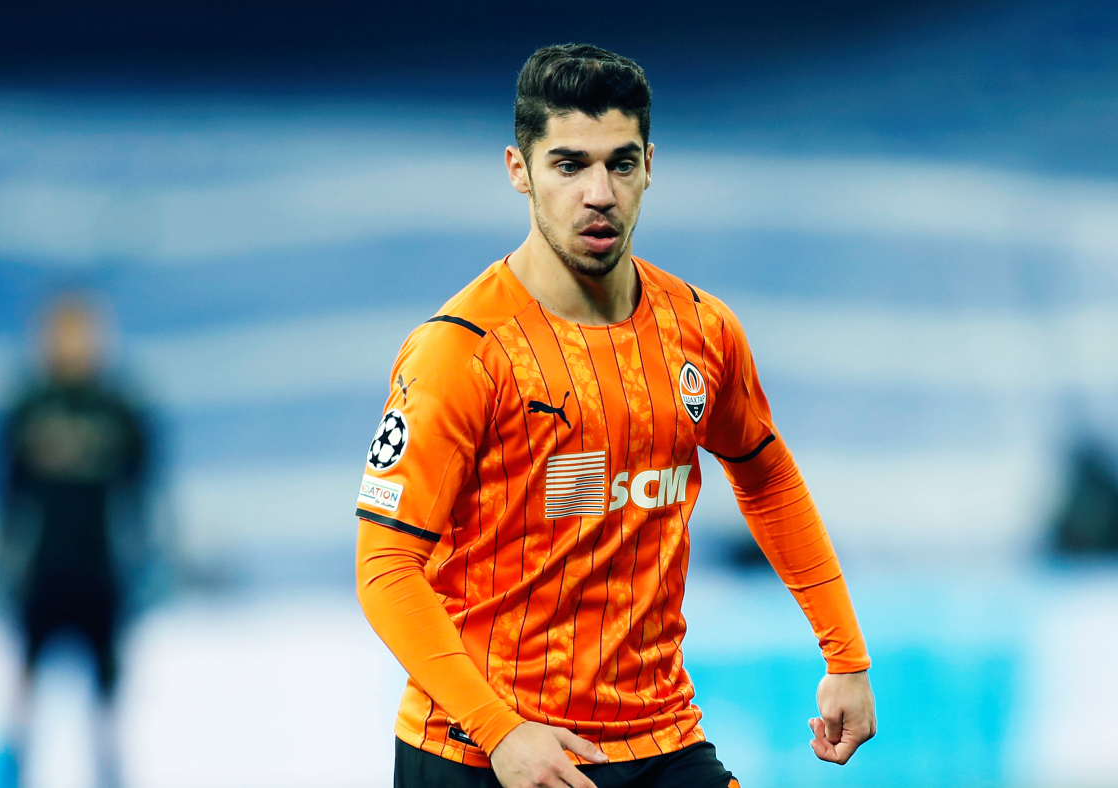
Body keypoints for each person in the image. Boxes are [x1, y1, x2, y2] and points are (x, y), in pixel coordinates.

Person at [355, 44, 876, 788]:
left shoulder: (701, 330)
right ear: (519, 170)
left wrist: (846, 656)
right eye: (569, 165)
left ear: (649, 166)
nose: (599, 193)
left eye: (620, 164)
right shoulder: (460, 352)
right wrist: (500, 732)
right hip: (485, 751)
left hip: (661, 737)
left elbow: (768, 479)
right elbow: (385, 566)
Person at [0, 293, 153, 788]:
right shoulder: (26, 408)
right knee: (23, 702)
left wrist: (146, 569)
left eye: (82, 332)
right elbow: (3, 497)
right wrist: (1, 565)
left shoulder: (119, 410)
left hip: (101, 576)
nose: (72, 344)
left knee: (107, 709)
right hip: (41, 575)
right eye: (61, 332)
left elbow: (143, 498)